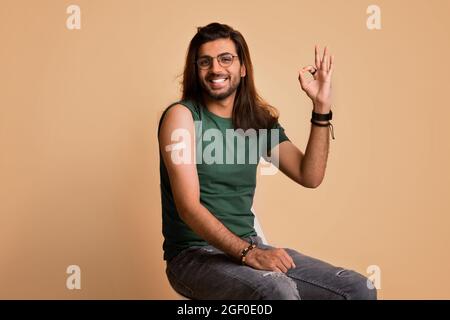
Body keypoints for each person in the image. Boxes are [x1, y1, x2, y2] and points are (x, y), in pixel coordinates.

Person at [158, 22, 376, 300]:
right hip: (193, 257)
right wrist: (249, 254)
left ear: (243, 68)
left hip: (247, 246)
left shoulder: (256, 122)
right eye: (205, 62)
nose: (216, 69)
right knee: (276, 290)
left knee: (358, 289)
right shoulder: (183, 117)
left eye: (226, 59)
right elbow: (188, 208)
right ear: (196, 70)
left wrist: (321, 109)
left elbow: (309, 175)